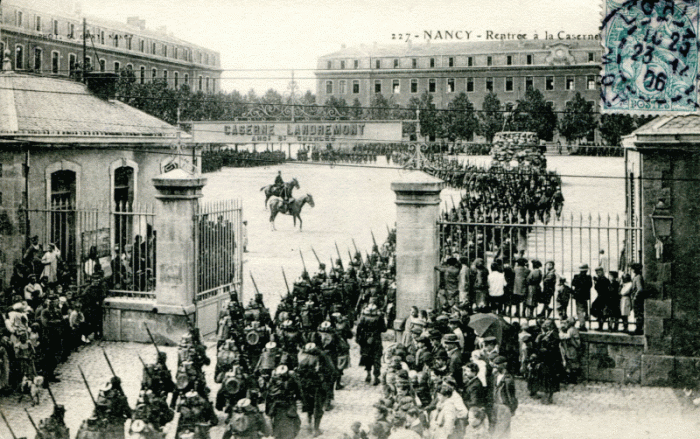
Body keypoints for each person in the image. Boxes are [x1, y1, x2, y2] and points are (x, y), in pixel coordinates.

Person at [356, 304, 386, 385]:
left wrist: (358, 339)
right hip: (376, 339)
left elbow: (358, 328)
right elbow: (384, 329)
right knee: (377, 358)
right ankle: (376, 377)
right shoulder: (379, 317)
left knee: (367, 356)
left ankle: (368, 374)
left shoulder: (363, 317)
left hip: (365, 340)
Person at [490, 356, 517, 439]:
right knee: (495, 427)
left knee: (502, 430)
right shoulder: (496, 376)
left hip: (504, 406)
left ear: (504, 365)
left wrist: (512, 408)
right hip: (496, 404)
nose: (495, 366)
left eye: (497, 364)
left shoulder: (508, 379)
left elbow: (511, 396)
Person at [558, 317, 582, 384]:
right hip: (572, 348)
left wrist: (561, 331)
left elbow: (566, 337)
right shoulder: (573, 329)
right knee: (571, 363)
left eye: (567, 322)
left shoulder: (571, 330)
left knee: (571, 363)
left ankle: (572, 379)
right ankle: (571, 378)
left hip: (572, 348)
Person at [571, 264, 592, 330]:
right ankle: (585, 319)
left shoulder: (576, 276)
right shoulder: (589, 277)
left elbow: (573, 284)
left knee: (579, 310)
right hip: (585, 296)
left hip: (578, 296)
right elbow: (590, 285)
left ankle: (582, 325)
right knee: (584, 309)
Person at [630, 263, 645, 335]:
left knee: (638, 314)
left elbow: (640, 289)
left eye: (633, 269)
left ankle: (638, 329)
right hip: (636, 299)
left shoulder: (638, 277)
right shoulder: (637, 276)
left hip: (637, 299)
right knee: (637, 314)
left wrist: (635, 296)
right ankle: (638, 328)